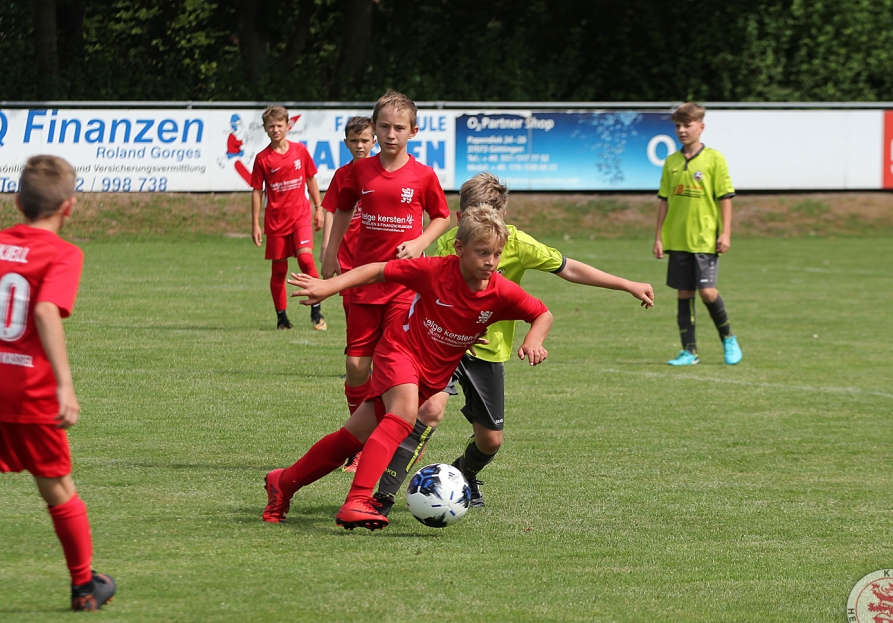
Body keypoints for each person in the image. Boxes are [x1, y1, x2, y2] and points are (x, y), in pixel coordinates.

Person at [371, 173, 655, 513]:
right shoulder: (451, 243)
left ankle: (464, 473)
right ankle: (383, 496)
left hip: (490, 353)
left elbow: (569, 269)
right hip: (445, 346)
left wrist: (627, 284)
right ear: (462, 221)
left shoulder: (518, 243)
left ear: (503, 218)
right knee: (429, 410)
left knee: (490, 441)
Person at [263, 204, 553, 530]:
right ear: (459, 248)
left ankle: (283, 482)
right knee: (403, 415)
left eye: (497, 254)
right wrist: (330, 286)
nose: (491, 261)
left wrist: (533, 340)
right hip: (399, 352)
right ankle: (358, 500)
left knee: (352, 438)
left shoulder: (501, 292)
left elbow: (542, 313)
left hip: (430, 375)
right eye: (482, 252)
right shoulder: (435, 271)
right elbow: (378, 270)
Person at [0, 155, 115, 611]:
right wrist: (65, 386)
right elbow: (46, 310)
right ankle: (84, 587)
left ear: (17, 202)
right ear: (70, 206)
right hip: (27, 390)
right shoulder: (64, 253)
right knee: (59, 490)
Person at [321, 90, 451, 432]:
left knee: (394, 364)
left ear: (413, 132)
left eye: (399, 128)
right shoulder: (360, 171)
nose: (391, 134)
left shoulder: (423, 175)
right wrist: (331, 253)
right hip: (364, 280)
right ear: (375, 128)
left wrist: (420, 242)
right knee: (355, 366)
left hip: (405, 285)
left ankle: (384, 435)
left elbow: (442, 216)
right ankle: (359, 433)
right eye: (384, 127)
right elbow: (343, 207)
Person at [653, 102, 742, 366]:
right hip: (678, 239)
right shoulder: (671, 161)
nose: (682, 130)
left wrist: (725, 233)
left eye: (687, 125)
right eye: (678, 126)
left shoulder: (714, 159)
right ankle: (689, 352)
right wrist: (659, 237)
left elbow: (725, 198)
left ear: (701, 127)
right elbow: (664, 200)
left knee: (708, 292)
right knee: (684, 293)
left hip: (705, 239)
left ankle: (728, 338)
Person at [319, 116, 377, 419]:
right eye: (354, 141)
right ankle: (360, 365)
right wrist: (328, 251)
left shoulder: (383, 173)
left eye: (365, 140)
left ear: (374, 141)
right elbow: (331, 210)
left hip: (380, 261)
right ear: (346, 143)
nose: (360, 145)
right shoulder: (343, 175)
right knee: (354, 321)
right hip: (350, 263)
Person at [251, 105, 327, 331]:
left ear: (288, 126)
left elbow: (311, 179)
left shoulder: (300, 151)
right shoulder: (262, 158)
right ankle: (282, 319)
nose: (275, 130)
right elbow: (257, 191)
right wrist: (255, 223)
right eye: (271, 126)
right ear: (265, 128)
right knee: (279, 271)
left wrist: (319, 208)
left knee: (306, 261)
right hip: (275, 221)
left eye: (279, 125)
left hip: (300, 216)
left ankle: (316, 312)